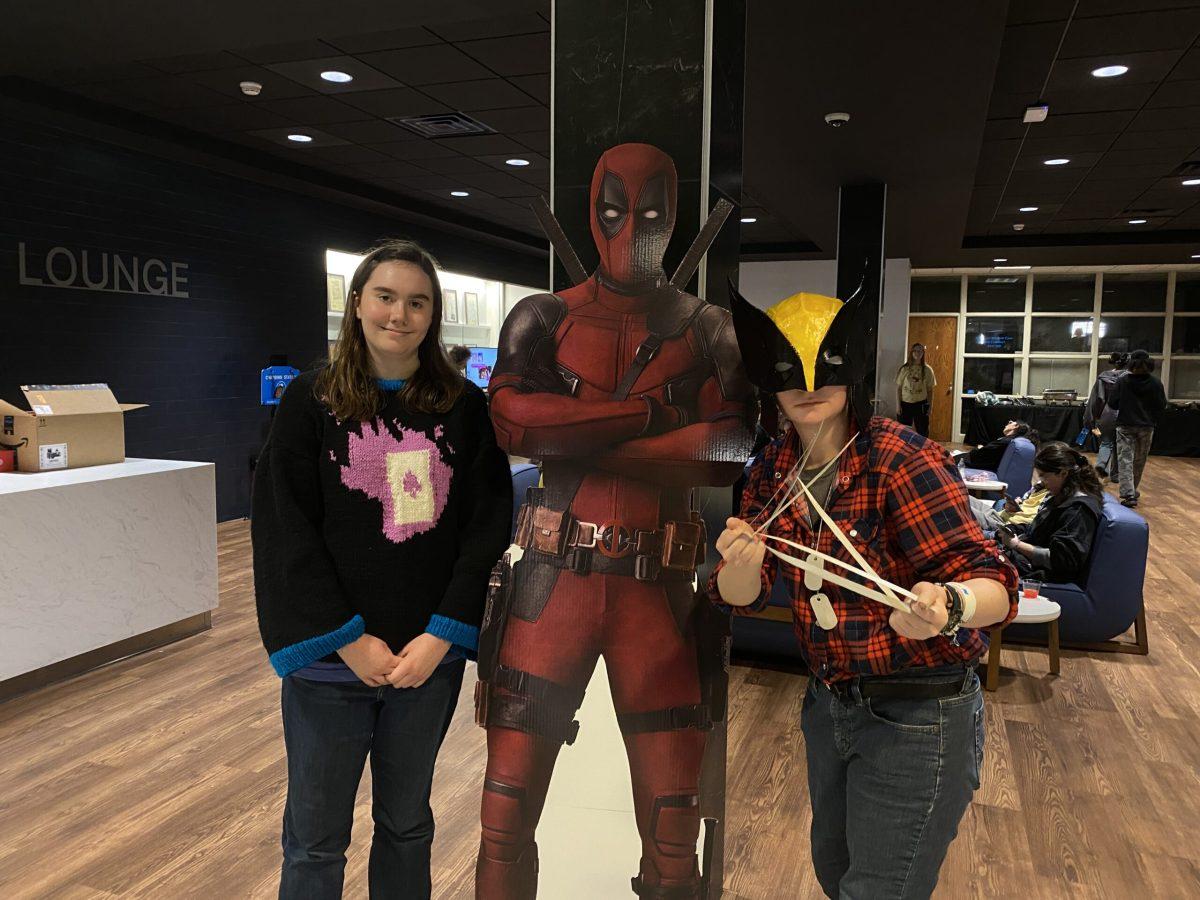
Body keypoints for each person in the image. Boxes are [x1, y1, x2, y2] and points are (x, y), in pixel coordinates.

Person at [475, 143, 755, 898]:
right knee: (503, 814)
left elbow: (726, 449)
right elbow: (511, 422)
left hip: (657, 594)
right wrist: (644, 413)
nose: (632, 226)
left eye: (653, 211)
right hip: (550, 585)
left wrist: (583, 431)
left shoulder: (710, 328)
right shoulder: (544, 315)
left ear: (676, 217)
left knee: (673, 829)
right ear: (591, 213)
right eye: (613, 208)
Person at [718, 285, 1019, 899]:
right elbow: (743, 595)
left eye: (823, 368)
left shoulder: (901, 459)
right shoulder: (772, 471)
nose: (807, 384)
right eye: (788, 369)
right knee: (835, 874)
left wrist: (950, 606)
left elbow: (998, 582)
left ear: (850, 370)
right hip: (829, 706)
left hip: (920, 712)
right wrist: (740, 564)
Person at [252, 240, 513, 900]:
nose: (400, 313)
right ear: (359, 304)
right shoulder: (310, 404)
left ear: (434, 315)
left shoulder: (463, 408)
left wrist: (441, 636)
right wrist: (345, 637)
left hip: (424, 664)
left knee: (407, 826)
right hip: (329, 663)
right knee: (314, 839)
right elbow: (288, 533)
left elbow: (483, 531)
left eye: (417, 301)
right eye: (387, 297)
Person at [995, 442, 1103, 585]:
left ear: (1063, 473)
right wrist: (1011, 530)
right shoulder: (1062, 497)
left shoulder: (1078, 510)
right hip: (1025, 562)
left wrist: (1017, 544)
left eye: (1044, 476)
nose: (1042, 482)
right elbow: (1037, 531)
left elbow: (1062, 562)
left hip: (1039, 576)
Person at [1107, 349, 1167, 508]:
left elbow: (1112, 403)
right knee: (1139, 460)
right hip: (1146, 427)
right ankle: (1133, 490)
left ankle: (1128, 493)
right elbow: (1161, 406)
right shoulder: (1155, 383)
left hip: (1125, 425)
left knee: (1124, 460)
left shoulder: (1123, 381)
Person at [1084, 351, 1128, 481]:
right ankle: (1116, 475)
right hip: (1125, 415)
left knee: (1106, 443)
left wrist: (1092, 418)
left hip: (1106, 414)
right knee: (1121, 446)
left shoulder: (1103, 378)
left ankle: (1101, 465)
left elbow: (1096, 399)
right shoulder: (1129, 378)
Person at [956, 419, 1038, 471]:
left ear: (1016, 426)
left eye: (1011, 422)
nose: (1008, 423)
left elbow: (977, 455)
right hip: (979, 462)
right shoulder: (1009, 440)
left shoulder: (1006, 441)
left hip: (973, 463)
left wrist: (979, 448)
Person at [968, 481, 1049, 534]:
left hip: (1007, 526)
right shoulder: (1039, 486)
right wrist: (1014, 504)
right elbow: (1024, 502)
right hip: (1001, 515)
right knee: (965, 498)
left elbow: (1033, 526)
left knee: (965, 509)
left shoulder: (1052, 498)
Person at [896, 342, 936, 436]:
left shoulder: (928, 370)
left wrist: (930, 407)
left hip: (921, 405)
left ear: (923, 353)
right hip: (905, 404)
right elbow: (898, 388)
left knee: (923, 431)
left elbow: (930, 390)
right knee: (903, 432)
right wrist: (898, 406)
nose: (918, 353)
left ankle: (923, 450)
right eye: (915, 351)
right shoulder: (904, 369)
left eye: (920, 351)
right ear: (912, 352)